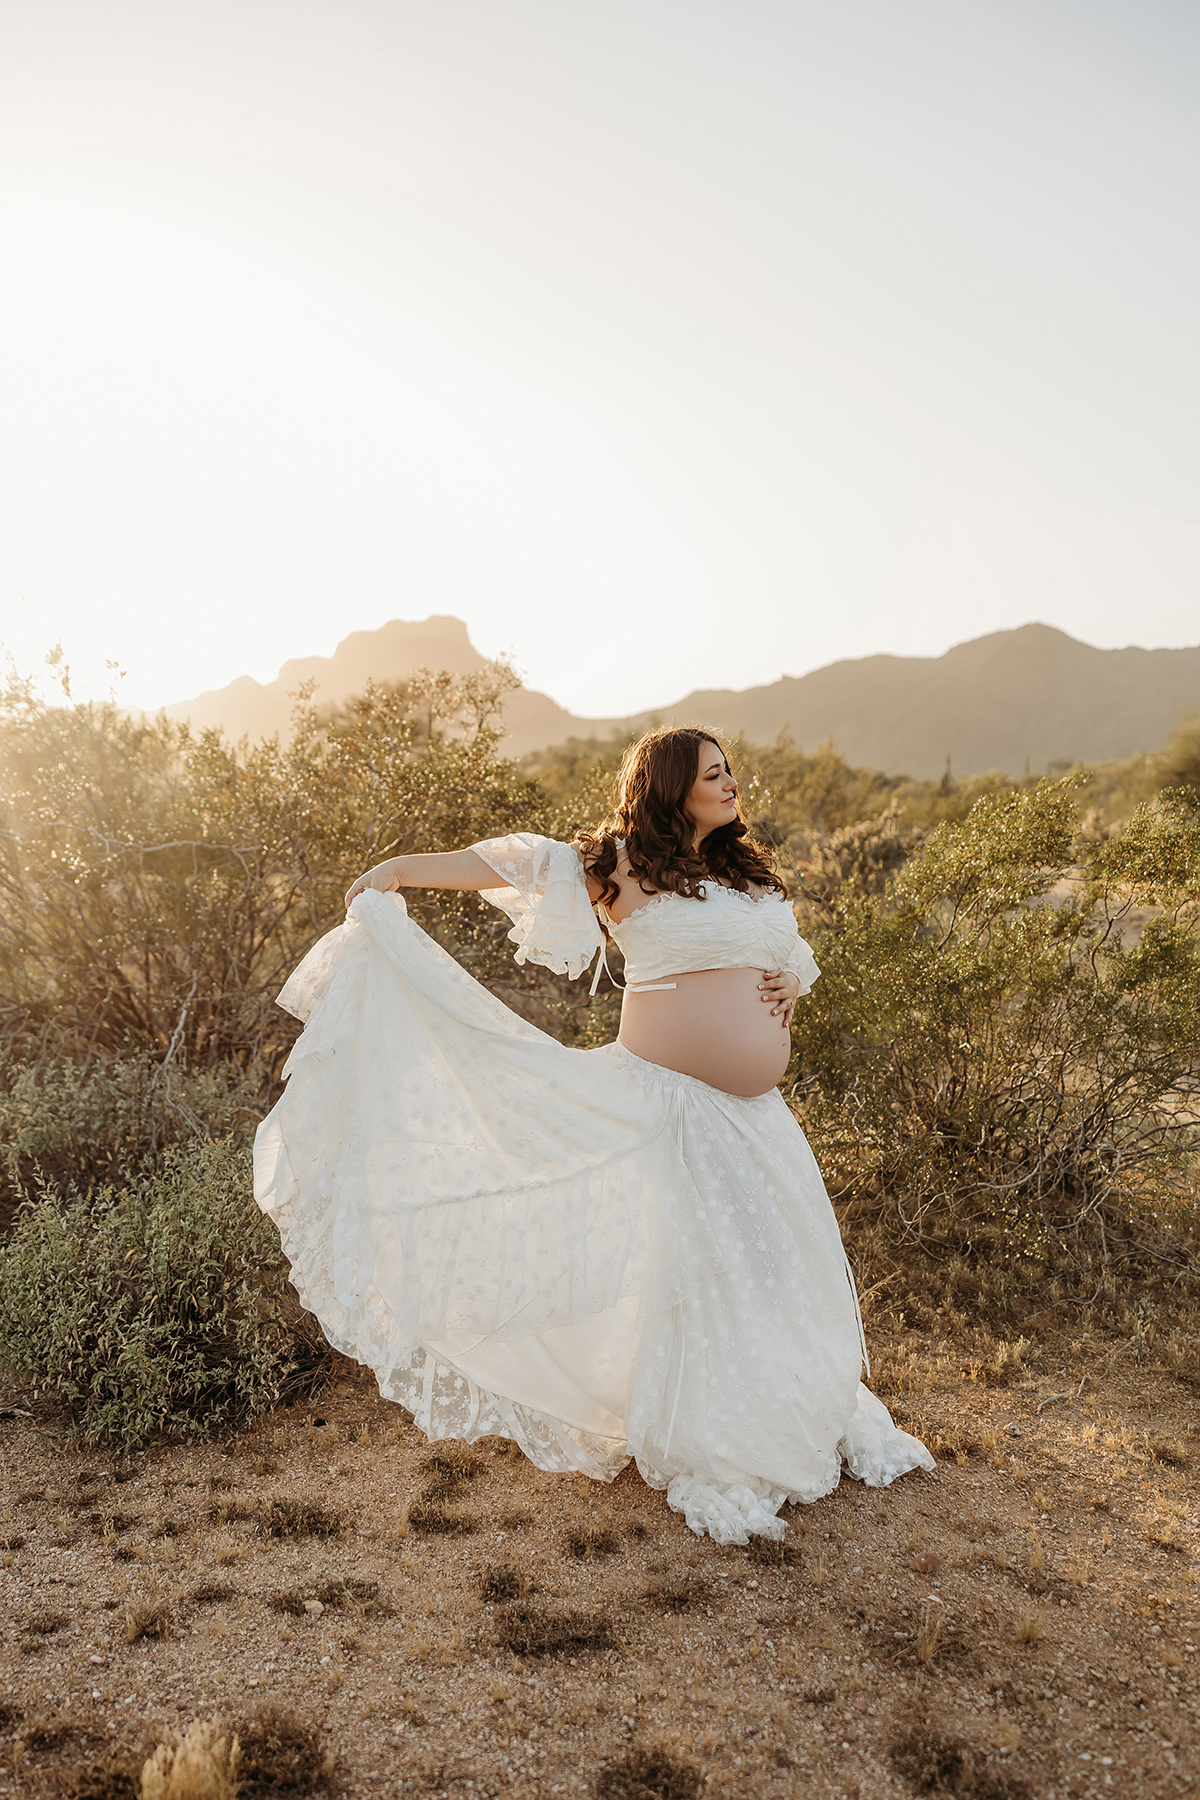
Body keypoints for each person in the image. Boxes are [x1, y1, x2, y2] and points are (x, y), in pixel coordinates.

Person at [254, 725, 933, 1544]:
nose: (732, 783)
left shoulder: (744, 873)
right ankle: (712, 1431)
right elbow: (505, 861)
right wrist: (398, 872)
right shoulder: (618, 865)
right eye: (714, 773)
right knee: (698, 1269)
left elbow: (786, 955)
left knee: (771, 1264)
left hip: (754, 1117)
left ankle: (788, 1404)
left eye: (731, 770)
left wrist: (792, 976)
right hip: (667, 1108)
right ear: (670, 785)